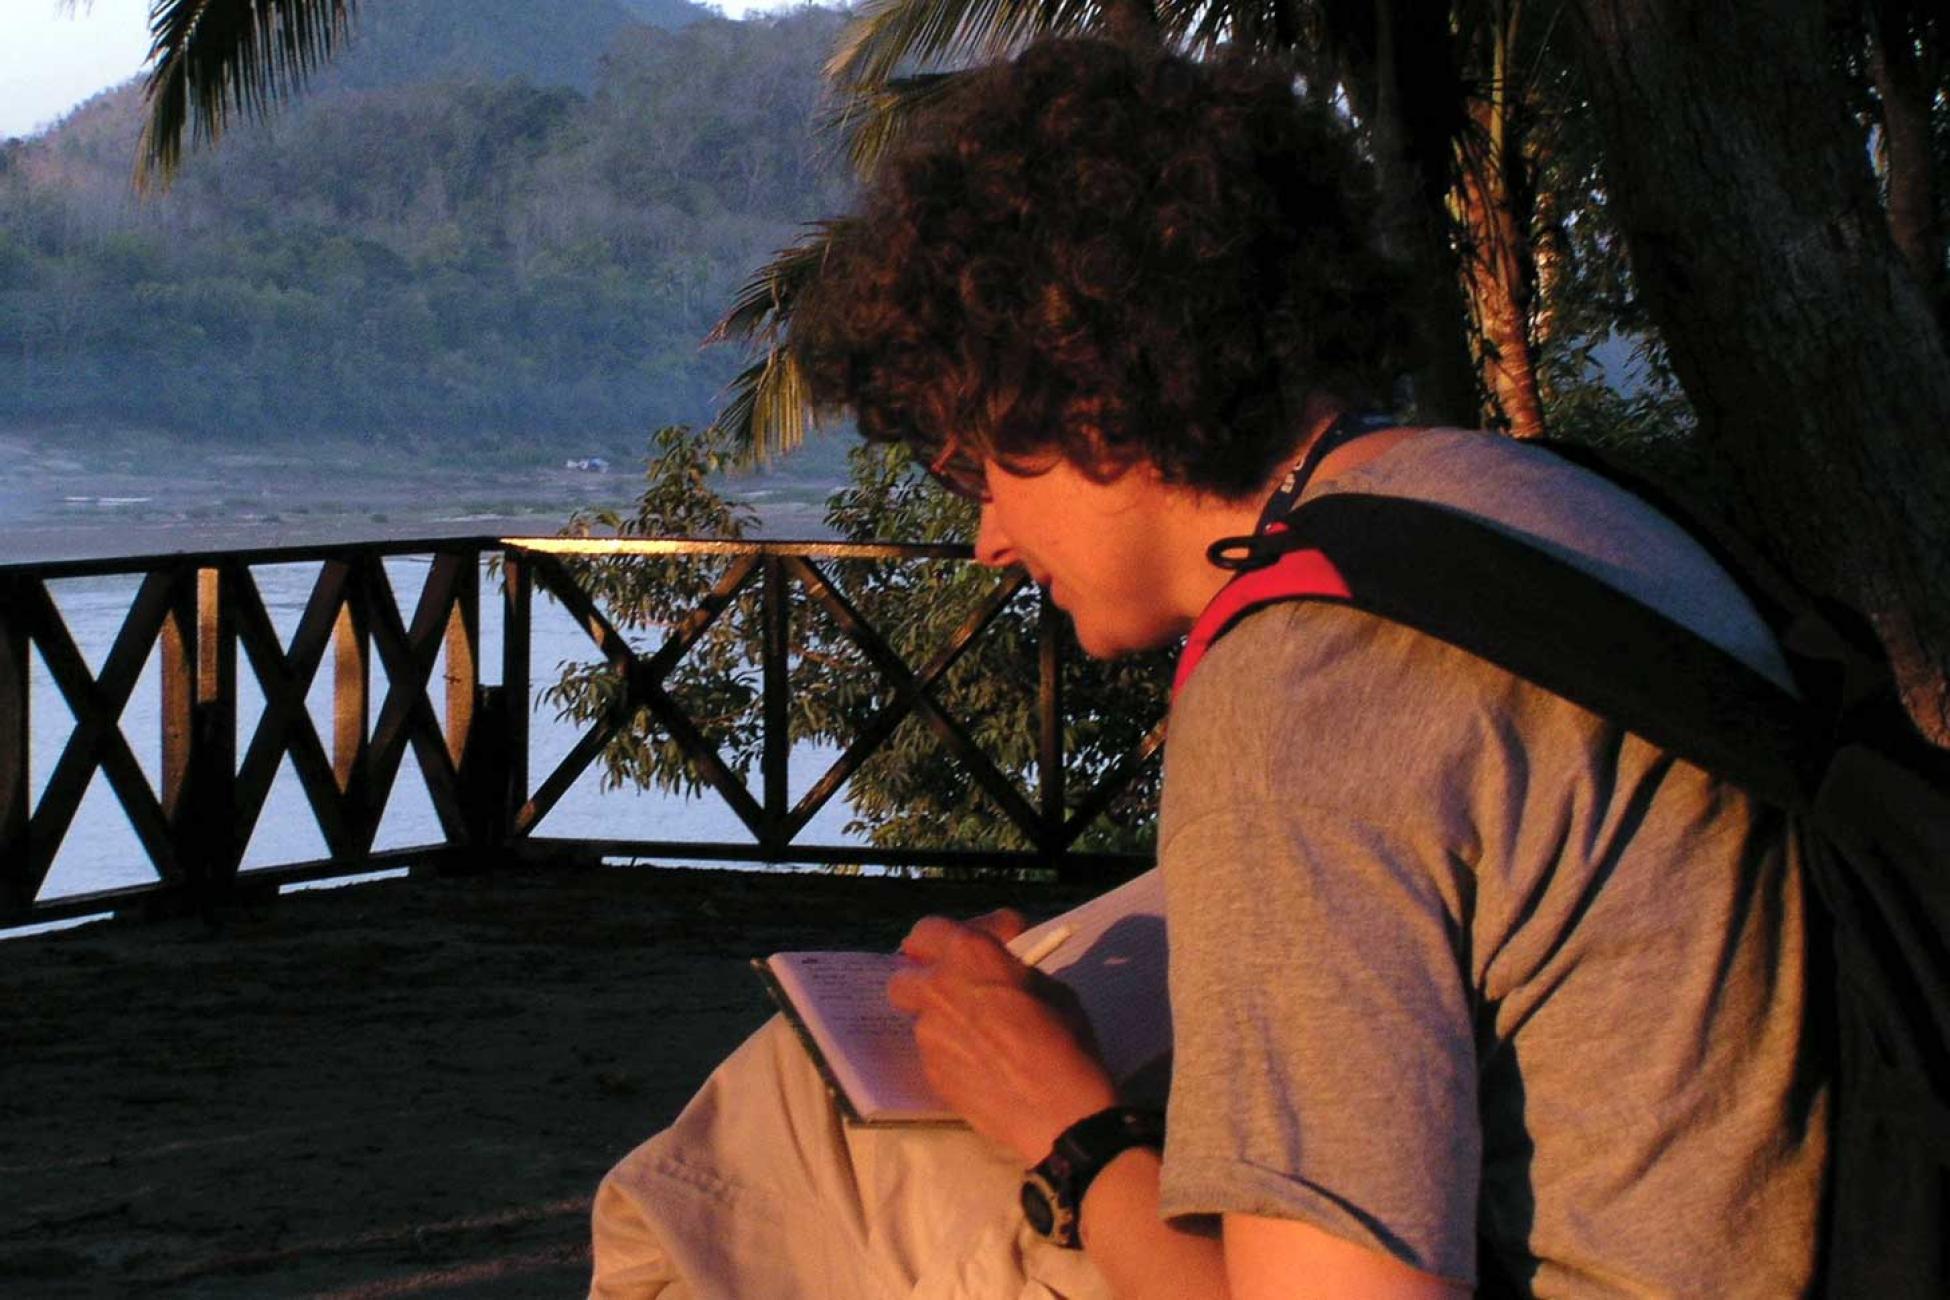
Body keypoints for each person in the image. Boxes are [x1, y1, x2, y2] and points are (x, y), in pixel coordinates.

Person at [591, 38, 1828, 1299]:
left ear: (1091, 394)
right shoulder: (1530, 505)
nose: (989, 539)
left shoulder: (1309, 683)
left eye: (978, 466)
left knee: (776, 1152)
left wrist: (1065, 1129)